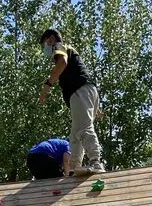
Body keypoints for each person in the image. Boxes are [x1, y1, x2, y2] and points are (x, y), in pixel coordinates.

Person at [37, 28, 104, 176]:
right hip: (88, 91)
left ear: (51, 40)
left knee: (84, 128)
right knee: (75, 135)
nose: (45, 49)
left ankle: (95, 161)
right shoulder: (70, 49)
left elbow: (62, 62)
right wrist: (96, 107)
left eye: (45, 45)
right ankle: (74, 168)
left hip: (79, 91)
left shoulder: (59, 46)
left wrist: (47, 85)